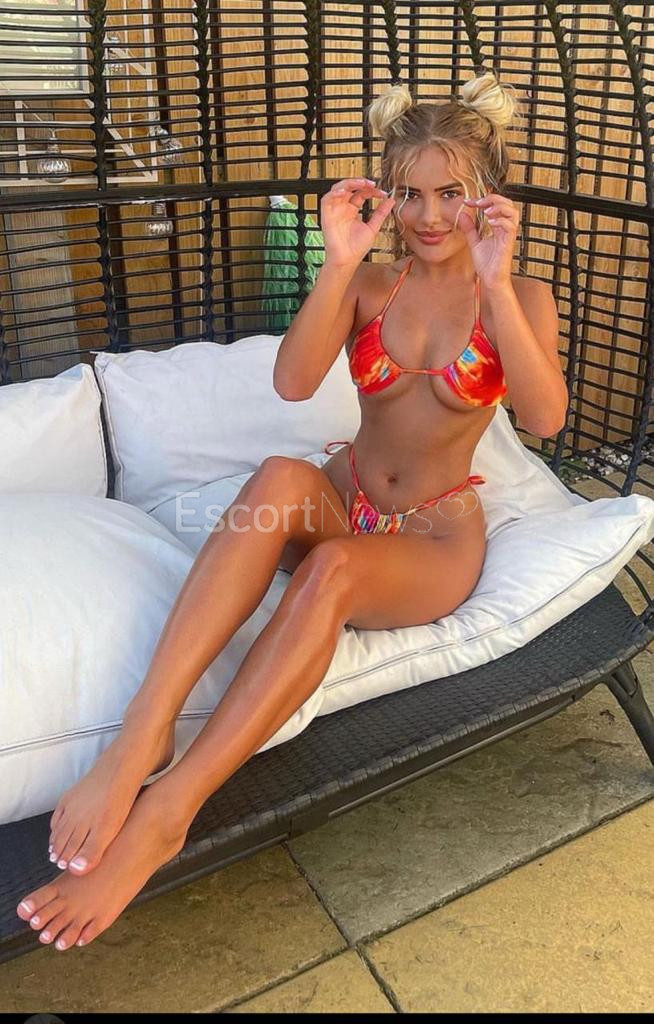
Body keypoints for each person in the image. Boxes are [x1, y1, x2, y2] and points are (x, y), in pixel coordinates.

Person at [16, 70, 568, 951]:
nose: (429, 215)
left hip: (432, 539)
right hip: (346, 497)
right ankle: (140, 738)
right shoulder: (371, 285)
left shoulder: (523, 298)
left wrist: (497, 286)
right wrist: (340, 261)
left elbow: (544, 418)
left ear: (488, 196)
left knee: (334, 569)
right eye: (409, 193)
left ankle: (169, 810)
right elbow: (292, 382)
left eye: (451, 193)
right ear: (386, 196)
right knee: (278, 475)